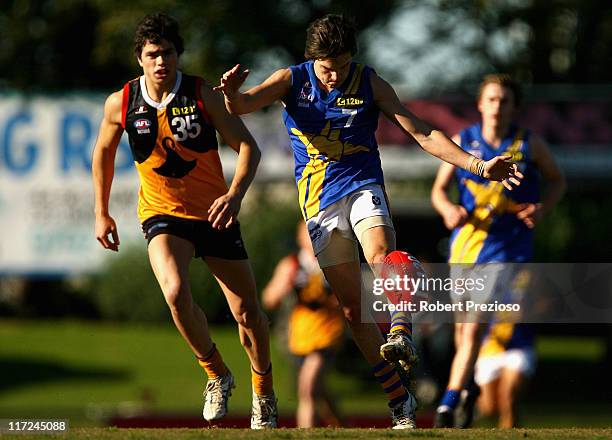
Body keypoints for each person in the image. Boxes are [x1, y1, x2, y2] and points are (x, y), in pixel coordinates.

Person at [215, 15, 521, 429]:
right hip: (318, 201)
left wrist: (479, 166)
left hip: (362, 186)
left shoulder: (369, 83)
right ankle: (400, 400)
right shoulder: (291, 79)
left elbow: (423, 132)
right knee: (352, 311)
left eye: (342, 66)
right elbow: (244, 104)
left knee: (381, 255)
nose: (335, 76)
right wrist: (232, 95)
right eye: (327, 69)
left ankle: (400, 330)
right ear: (312, 61)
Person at [92, 13, 277, 429]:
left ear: (178, 56)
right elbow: (103, 152)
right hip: (162, 215)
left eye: (168, 53)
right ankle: (216, 373)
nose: (161, 62)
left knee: (247, 313)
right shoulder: (120, 103)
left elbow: (248, 147)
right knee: (175, 292)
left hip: (215, 213)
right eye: (153, 55)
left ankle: (262, 389)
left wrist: (234, 195)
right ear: (139, 59)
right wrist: (101, 211)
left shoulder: (202, 94)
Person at [430, 73, 565, 427]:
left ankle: (446, 404)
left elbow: (557, 180)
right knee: (463, 334)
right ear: (480, 104)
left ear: (515, 107)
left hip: (508, 250)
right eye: (491, 99)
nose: (497, 106)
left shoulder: (528, 144)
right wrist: (448, 210)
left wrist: (542, 207)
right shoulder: (465, 141)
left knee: (473, 328)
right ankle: (470, 388)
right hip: (466, 247)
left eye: (504, 100)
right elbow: (439, 190)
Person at [262, 221, 345, 428]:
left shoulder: (333, 263)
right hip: (300, 336)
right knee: (319, 390)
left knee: (307, 387)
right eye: (307, 234)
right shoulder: (291, 264)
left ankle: (304, 432)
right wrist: (284, 287)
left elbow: (350, 298)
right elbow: (268, 299)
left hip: (327, 333)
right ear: (299, 237)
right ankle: (344, 426)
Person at [474, 270, 537, 428]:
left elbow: (546, 303)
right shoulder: (483, 275)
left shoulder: (527, 275)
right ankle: (468, 406)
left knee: (508, 396)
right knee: (489, 408)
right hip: (490, 348)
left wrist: (529, 311)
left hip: (520, 346)